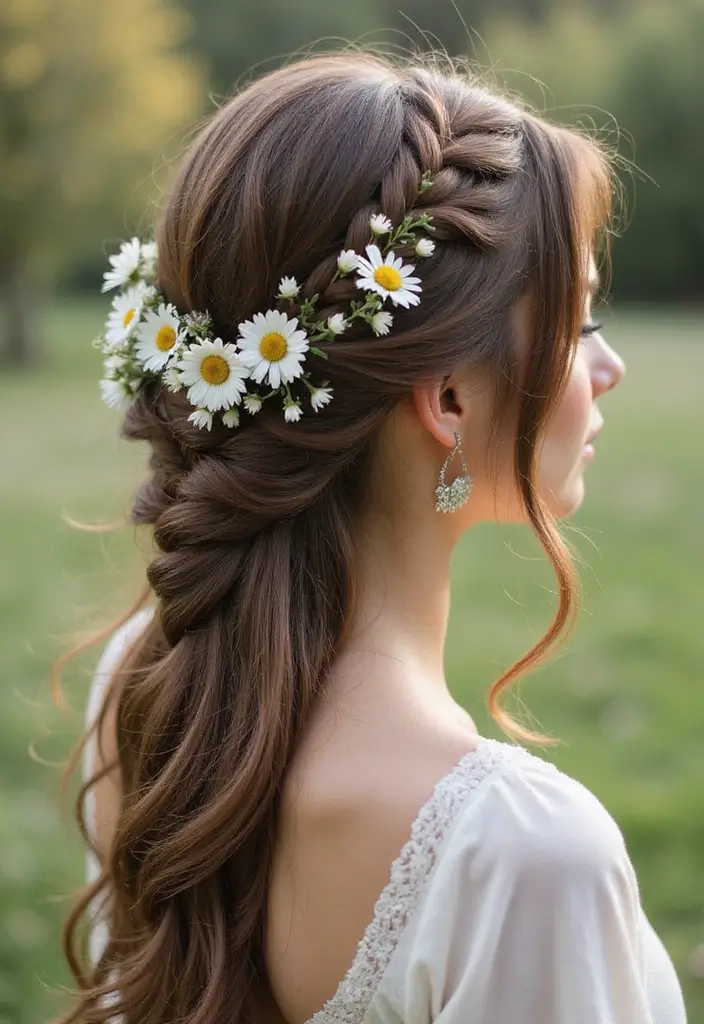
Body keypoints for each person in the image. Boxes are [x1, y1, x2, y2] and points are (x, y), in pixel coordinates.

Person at [56, 50, 688, 1024]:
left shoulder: (141, 688)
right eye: (579, 317)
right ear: (443, 396)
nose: (605, 367)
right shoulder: (518, 858)